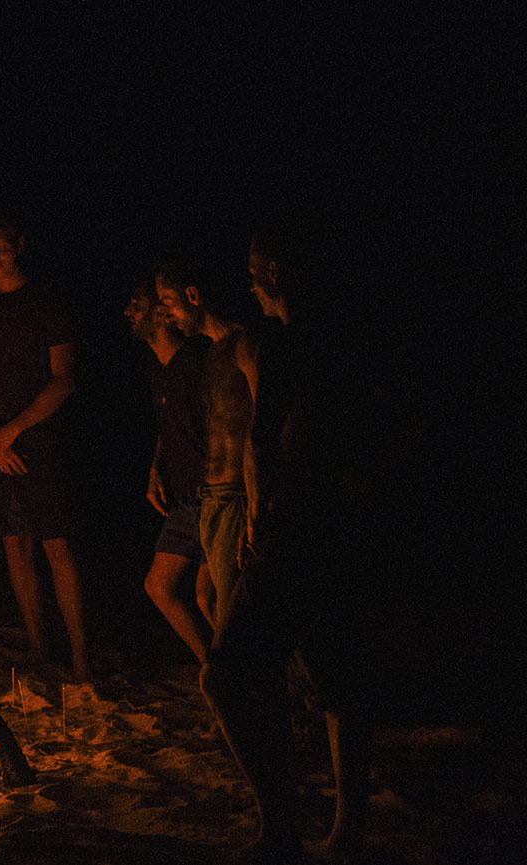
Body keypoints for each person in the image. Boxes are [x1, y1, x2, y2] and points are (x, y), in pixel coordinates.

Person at [202, 224, 373, 864]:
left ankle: (281, 828)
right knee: (339, 682)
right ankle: (347, 831)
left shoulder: (281, 342)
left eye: (254, 269)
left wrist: (256, 523)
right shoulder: (349, 338)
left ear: (274, 270)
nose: (248, 281)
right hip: (343, 525)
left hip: (297, 527)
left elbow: (260, 436)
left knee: (225, 675)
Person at [0, 212, 90, 683]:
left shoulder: (46, 305)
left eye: (2, 247)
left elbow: (64, 379)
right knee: (14, 545)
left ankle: (80, 659)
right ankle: (38, 648)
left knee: (56, 546)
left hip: (40, 444)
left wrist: (12, 431)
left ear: (20, 244)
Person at [155, 261, 256, 635]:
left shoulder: (246, 346)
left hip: (236, 496)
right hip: (212, 498)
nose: (165, 313)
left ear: (194, 296)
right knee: (211, 602)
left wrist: (256, 509)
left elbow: (262, 431)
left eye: (169, 300)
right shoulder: (212, 352)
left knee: (236, 613)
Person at [124, 276, 215, 663]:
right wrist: (155, 468)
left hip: (210, 494)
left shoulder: (195, 364)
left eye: (137, 304)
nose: (128, 312)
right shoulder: (155, 366)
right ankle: (216, 671)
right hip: (184, 496)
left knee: (206, 596)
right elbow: (168, 425)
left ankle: (233, 678)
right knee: (165, 588)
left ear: (162, 314)